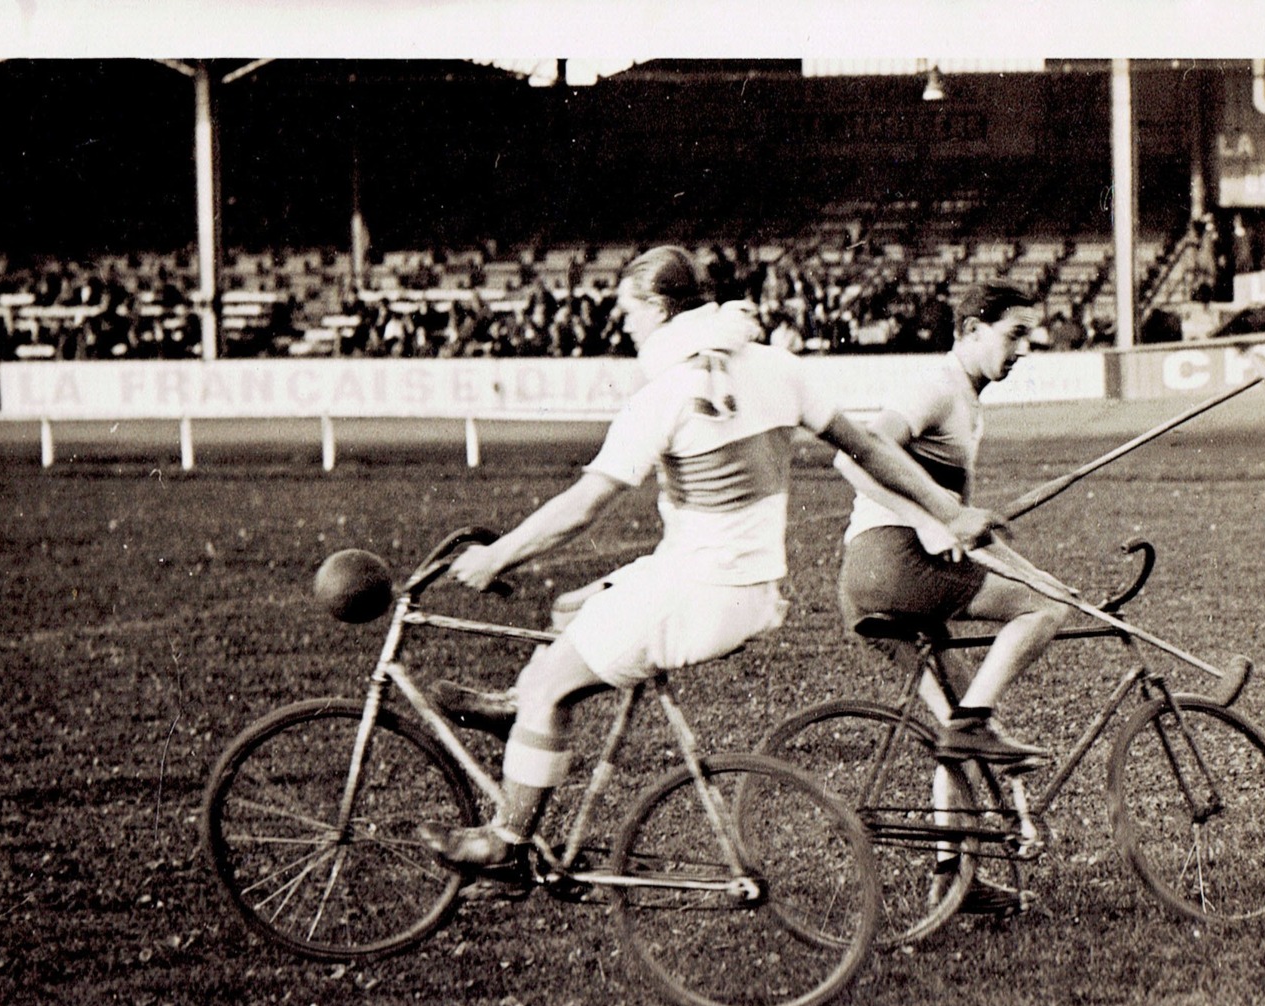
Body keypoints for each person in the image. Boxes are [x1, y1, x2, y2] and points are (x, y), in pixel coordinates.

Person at [417, 245, 1002, 868]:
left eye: (628, 310)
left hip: (697, 590)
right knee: (571, 607)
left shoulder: (666, 391)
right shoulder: (777, 366)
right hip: (743, 586)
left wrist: (497, 557)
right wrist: (951, 511)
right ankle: (517, 709)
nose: (625, 324)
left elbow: (585, 505)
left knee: (553, 691)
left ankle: (506, 843)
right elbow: (870, 449)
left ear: (657, 306)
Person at [833, 281, 1071, 764]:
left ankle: (954, 837)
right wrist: (922, 521)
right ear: (972, 329)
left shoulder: (966, 399)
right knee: (1043, 610)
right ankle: (973, 724)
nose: (1024, 349)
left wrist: (1030, 573)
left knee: (957, 736)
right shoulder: (937, 387)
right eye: (1014, 335)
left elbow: (963, 529)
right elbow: (853, 459)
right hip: (893, 562)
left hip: (876, 574)